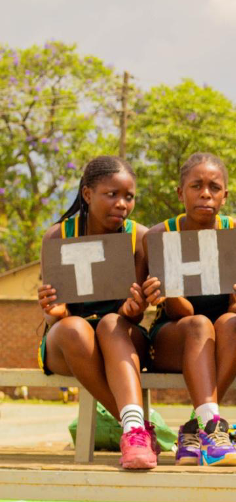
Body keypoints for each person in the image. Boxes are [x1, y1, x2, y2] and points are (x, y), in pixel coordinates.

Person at [37, 156, 156, 470]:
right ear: (87, 194)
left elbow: (135, 314)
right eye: (112, 194)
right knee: (75, 327)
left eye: (128, 197)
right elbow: (55, 318)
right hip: (70, 344)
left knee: (110, 322)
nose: (121, 204)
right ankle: (136, 428)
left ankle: (133, 431)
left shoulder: (140, 238)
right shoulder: (58, 236)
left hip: (121, 339)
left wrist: (135, 309)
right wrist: (54, 310)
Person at [143, 153, 236, 467]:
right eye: (196, 186)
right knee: (198, 324)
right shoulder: (158, 235)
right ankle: (211, 428)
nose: (205, 193)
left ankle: (196, 429)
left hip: (223, 339)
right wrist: (168, 290)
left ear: (225, 196)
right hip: (175, 334)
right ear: (181, 193)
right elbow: (178, 310)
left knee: (234, 322)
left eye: (214, 187)